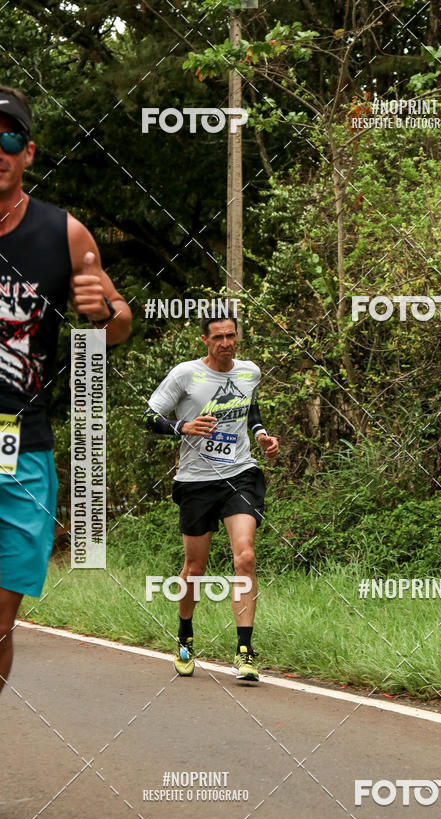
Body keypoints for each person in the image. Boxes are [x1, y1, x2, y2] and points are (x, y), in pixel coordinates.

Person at [0, 85, 132, 693]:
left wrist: (102, 314)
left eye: (9, 138)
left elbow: (118, 324)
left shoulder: (66, 234)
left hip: (19, 447)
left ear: (28, 152)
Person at [143, 315, 279, 680]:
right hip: (196, 481)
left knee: (245, 555)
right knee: (195, 569)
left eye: (231, 336)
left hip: (240, 474)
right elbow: (149, 416)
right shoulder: (185, 374)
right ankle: (185, 635)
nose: (226, 343)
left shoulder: (250, 372)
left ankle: (245, 652)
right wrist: (182, 426)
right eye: (218, 337)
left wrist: (262, 434)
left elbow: (250, 408)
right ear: (205, 339)